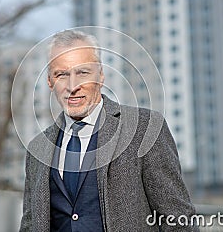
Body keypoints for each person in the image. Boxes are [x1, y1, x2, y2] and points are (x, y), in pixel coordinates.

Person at [19, 30, 198, 231]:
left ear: (101, 75)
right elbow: (29, 225)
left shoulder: (145, 129)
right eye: (62, 74)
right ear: (50, 82)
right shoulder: (38, 148)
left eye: (83, 73)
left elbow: (178, 219)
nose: (72, 86)